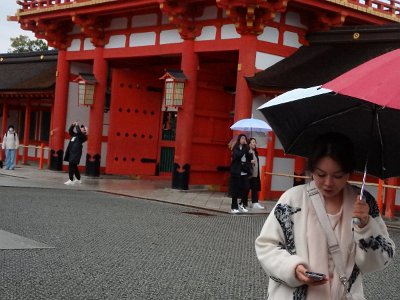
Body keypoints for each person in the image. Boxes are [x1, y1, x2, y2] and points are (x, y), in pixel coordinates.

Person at [255, 132, 395, 299]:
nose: (328, 183)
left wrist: (365, 226)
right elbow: (266, 246)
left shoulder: (364, 204)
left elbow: (379, 260)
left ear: (349, 173)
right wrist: (292, 268)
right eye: (321, 174)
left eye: (338, 176)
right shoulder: (292, 200)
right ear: (311, 169)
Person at [229, 134, 252, 213]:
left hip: (244, 171)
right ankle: (233, 206)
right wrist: (245, 149)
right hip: (236, 171)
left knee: (246, 188)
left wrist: (249, 152)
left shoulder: (246, 148)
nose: (243, 140)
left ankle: (242, 203)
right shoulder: (235, 147)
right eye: (242, 138)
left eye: (244, 138)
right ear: (239, 139)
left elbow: (249, 158)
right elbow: (238, 155)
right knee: (235, 190)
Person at [247, 138, 264, 209]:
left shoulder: (255, 152)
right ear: (249, 143)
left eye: (255, 142)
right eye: (253, 142)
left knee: (255, 188)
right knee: (246, 189)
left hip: (255, 174)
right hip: (249, 174)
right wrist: (250, 161)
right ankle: (242, 202)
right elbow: (244, 162)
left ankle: (255, 203)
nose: (254, 144)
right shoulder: (247, 152)